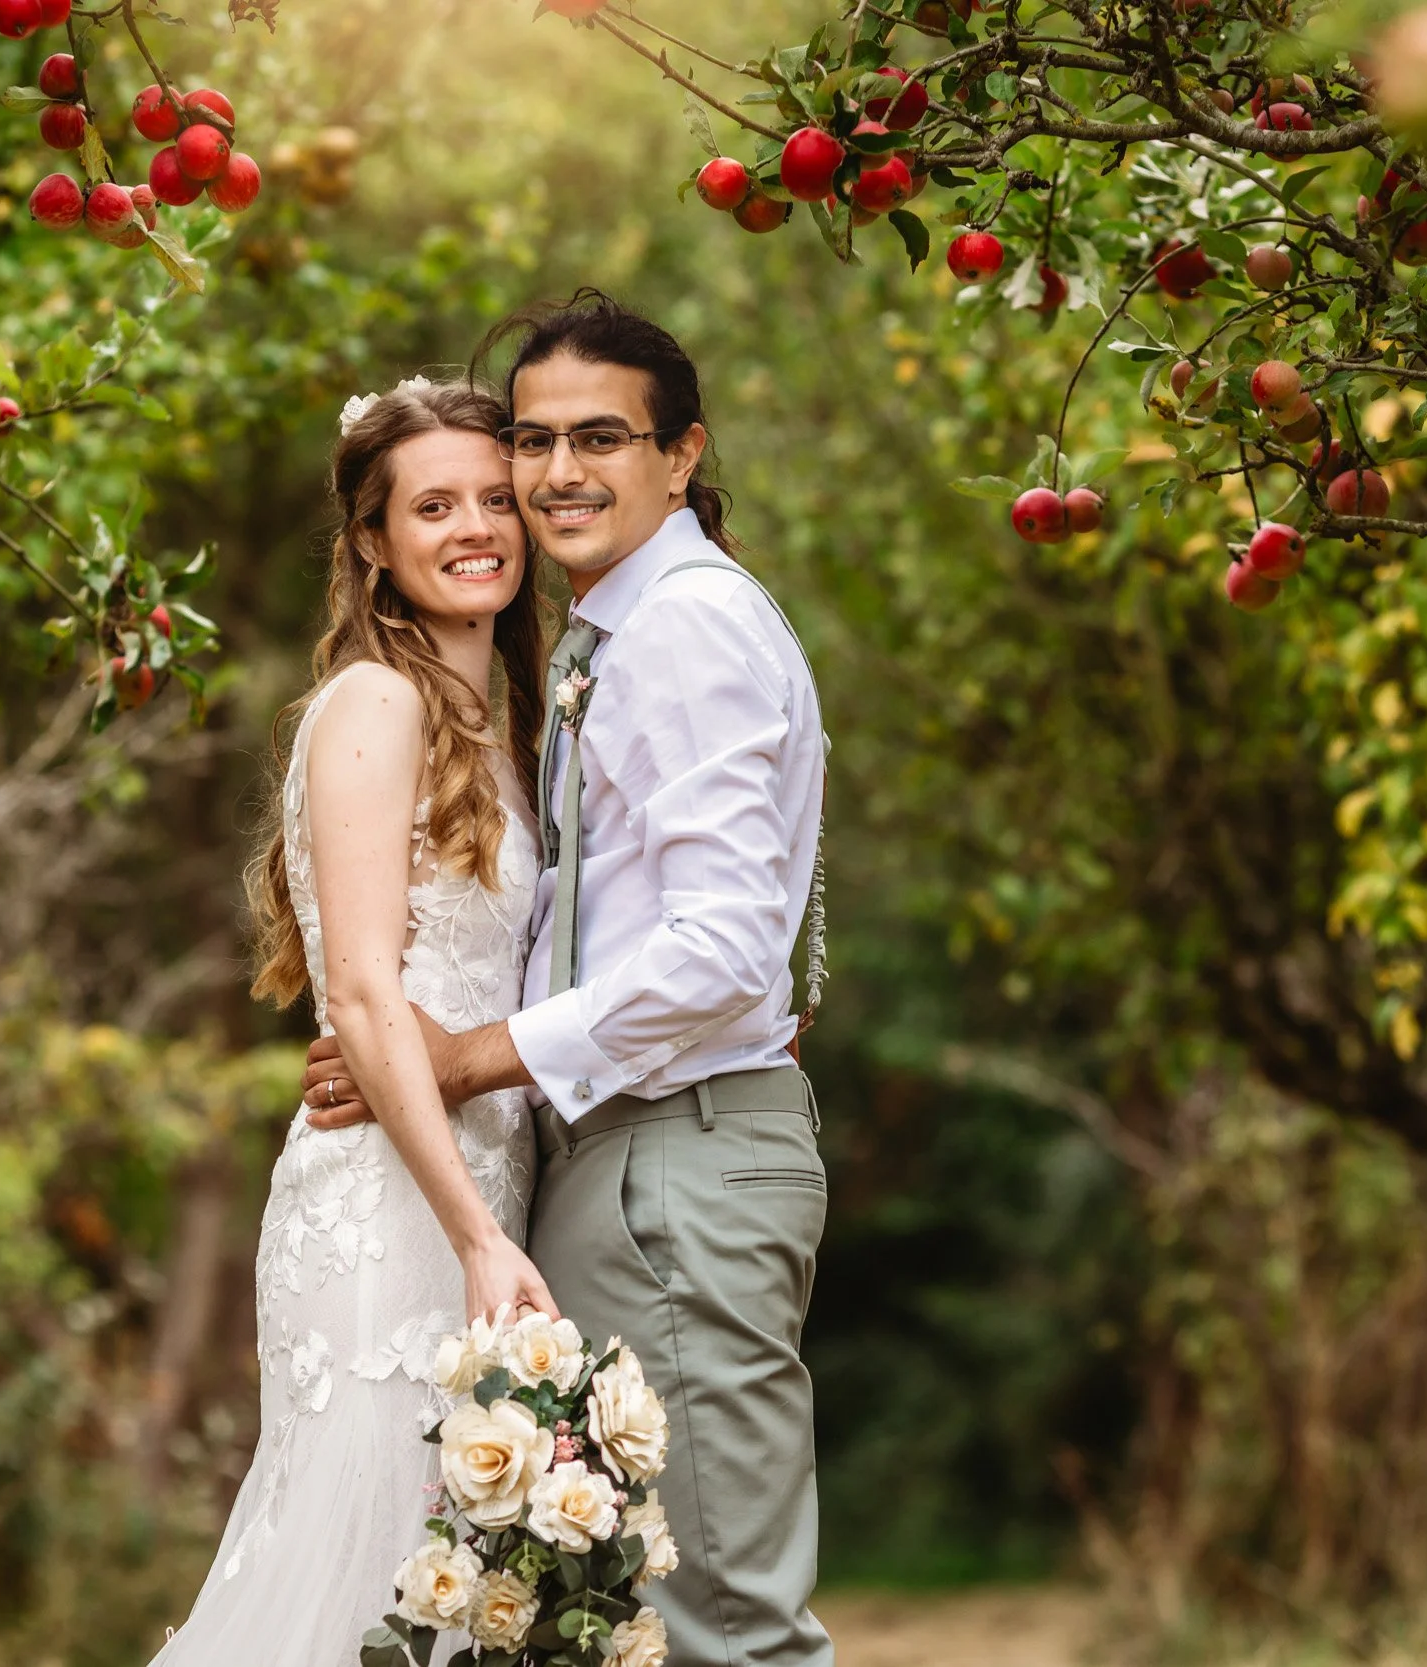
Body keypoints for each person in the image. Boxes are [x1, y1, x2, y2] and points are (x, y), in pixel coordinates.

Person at [304, 293, 835, 1666]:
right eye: (532, 441)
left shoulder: (683, 628)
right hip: (609, 1159)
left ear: (685, 453)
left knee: (723, 1630)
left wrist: (465, 1051)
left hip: (674, 1159)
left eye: (599, 437)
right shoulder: (591, 651)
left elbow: (725, 952)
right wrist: (407, 1043)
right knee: (621, 1619)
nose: (553, 477)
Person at [149, 376, 558, 1667]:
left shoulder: (505, 725)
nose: (475, 526)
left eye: (497, 499)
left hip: (480, 1179)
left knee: (446, 1584)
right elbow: (372, 995)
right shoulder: (378, 704)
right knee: (368, 1574)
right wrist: (477, 1235)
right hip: (400, 1206)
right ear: (373, 545)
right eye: (433, 506)